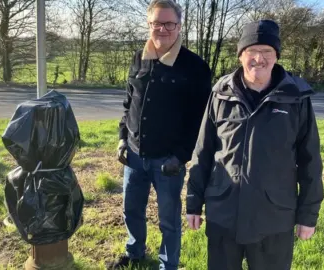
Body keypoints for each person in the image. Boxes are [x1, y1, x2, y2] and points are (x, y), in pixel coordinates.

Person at [186, 19, 324, 270]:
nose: (259, 58)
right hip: (224, 214)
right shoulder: (220, 94)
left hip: (273, 218)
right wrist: (194, 202)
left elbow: (310, 161)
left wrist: (308, 215)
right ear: (241, 55)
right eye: (252, 51)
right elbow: (203, 152)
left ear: (276, 56)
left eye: (267, 52)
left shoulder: (296, 99)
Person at [110, 0, 212, 269]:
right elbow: (128, 103)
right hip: (133, 156)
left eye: (169, 24)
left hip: (168, 162)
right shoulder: (138, 58)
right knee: (131, 210)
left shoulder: (195, 67)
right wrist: (122, 137)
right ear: (149, 24)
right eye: (157, 23)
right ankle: (135, 252)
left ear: (179, 26)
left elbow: (198, 121)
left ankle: (169, 265)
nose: (163, 29)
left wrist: (180, 156)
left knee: (168, 219)